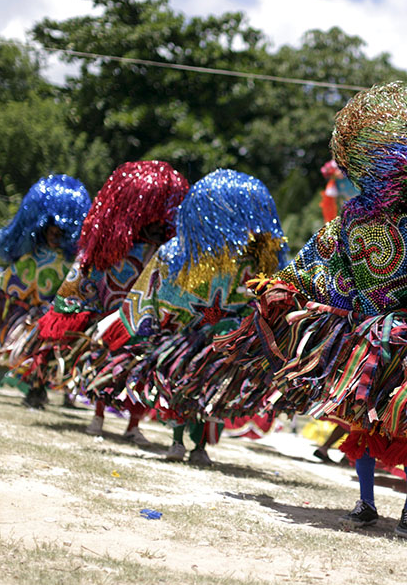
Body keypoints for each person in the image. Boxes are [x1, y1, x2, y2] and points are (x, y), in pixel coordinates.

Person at [192, 82, 407, 539]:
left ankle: (380, 503)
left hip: (379, 345)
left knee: (372, 420)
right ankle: (393, 506)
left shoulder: (370, 218)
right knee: (404, 425)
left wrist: (288, 288)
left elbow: (318, 268)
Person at [79, 168, 288, 465]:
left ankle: (199, 446)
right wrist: (147, 327)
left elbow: (256, 298)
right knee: (180, 387)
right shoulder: (179, 254)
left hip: (221, 340)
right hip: (183, 339)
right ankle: (178, 442)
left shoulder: (252, 263)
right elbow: (153, 293)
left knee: (209, 391)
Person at [13, 161, 188, 441]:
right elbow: (84, 280)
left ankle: (133, 426)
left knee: (141, 367)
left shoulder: (164, 254)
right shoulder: (110, 248)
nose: (157, 223)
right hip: (110, 321)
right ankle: (97, 416)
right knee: (105, 362)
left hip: (143, 321)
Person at [0, 174, 90, 404]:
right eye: (52, 231)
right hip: (26, 315)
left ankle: (37, 391)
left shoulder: (68, 262)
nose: (55, 235)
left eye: (60, 232)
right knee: (25, 352)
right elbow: (13, 276)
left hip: (49, 316)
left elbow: (70, 286)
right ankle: (35, 389)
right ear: (42, 227)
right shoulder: (32, 254)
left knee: (44, 353)